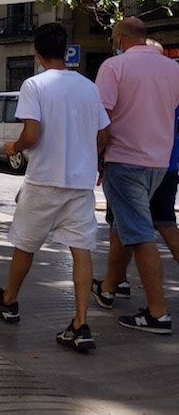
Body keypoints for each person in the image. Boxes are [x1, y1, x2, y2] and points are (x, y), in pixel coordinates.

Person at [0, 24, 110, 352]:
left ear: (37, 53)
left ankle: (8, 301)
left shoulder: (34, 85)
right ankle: (80, 323)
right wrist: (91, 160)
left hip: (43, 179)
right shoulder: (88, 87)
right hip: (79, 183)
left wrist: (15, 147)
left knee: (25, 244)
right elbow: (104, 134)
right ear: (66, 51)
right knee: (81, 250)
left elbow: (32, 133)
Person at [91, 18, 179, 334]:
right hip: (159, 161)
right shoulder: (173, 69)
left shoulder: (114, 67)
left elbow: (103, 119)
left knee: (140, 234)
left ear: (120, 37)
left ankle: (158, 312)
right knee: (122, 226)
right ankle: (110, 287)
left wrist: (97, 158)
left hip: (125, 160)